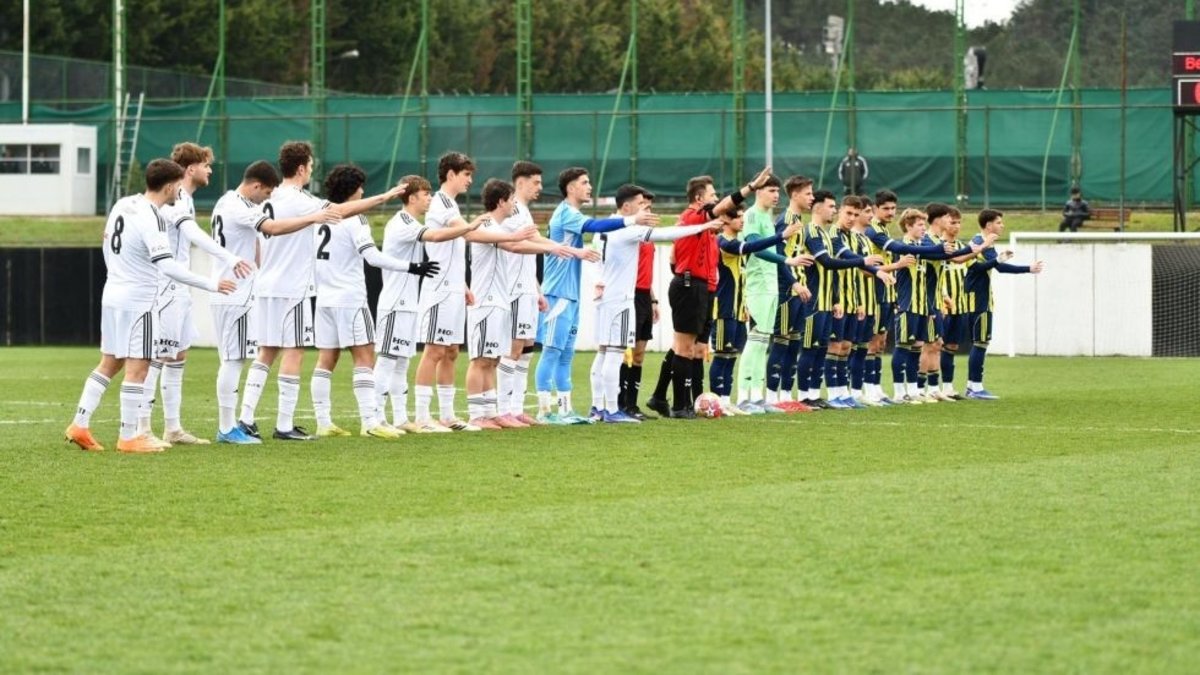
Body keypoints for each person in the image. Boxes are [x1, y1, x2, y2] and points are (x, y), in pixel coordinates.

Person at [64, 159, 236, 453]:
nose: (178, 193)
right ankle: (129, 436)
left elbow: (107, 243)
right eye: (177, 187)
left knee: (110, 362)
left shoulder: (123, 204)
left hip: (113, 294)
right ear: (170, 186)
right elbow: (167, 266)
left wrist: (120, 274)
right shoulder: (152, 216)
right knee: (139, 368)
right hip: (139, 300)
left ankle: (80, 423)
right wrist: (210, 283)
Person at [237, 141, 401, 441]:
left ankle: (246, 418)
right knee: (296, 352)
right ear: (301, 168)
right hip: (294, 289)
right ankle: (285, 425)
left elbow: (261, 238)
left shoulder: (269, 200)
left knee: (267, 352)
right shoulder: (301, 200)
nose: (312, 170)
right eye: (310, 165)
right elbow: (340, 210)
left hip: (266, 285)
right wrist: (385, 197)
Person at [310, 164, 438, 439]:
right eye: (360, 187)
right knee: (365, 356)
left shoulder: (321, 214)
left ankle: (323, 421)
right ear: (353, 190)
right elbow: (373, 258)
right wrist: (412, 267)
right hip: (349, 297)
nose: (363, 191)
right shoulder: (355, 220)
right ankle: (371, 421)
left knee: (326, 359)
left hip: (324, 298)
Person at [140, 142, 252, 448]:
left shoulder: (183, 199)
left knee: (177, 355)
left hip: (179, 288)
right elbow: (192, 234)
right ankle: (142, 428)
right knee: (158, 357)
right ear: (191, 169)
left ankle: (173, 428)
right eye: (206, 164)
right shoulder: (176, 199)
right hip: (165, 287)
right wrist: (230, 259)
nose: (210, 170)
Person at [413, 152, 535, 432]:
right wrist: (511, 236)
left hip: (454, 288)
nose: (470, 180)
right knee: (434, 351)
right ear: (451, 174)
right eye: (466, 174)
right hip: (439, 289)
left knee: (452, 351)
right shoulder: (441, 204)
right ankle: (422, 416)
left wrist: (464, 285)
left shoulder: (451, 205)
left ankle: (447, 414)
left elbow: (453, 249)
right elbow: (468, 235)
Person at [209, 160, 323, 444]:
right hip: (238, 292)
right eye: (266, 193)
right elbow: (271, 228)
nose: (267, 199)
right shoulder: (242, 207)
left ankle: (242, 421)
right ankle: (229, 428)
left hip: (231, 289)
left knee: (253, 355)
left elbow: (257, 241)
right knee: (234, 361)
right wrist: (312, 218)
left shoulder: (224, 201)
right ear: (257, 185)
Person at [645, 169, 772, 419]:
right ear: (700, 198)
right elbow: (725, 205)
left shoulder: (705, 229)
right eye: (713, 195)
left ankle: (668, 397)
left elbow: (673, 257)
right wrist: (750, 186)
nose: (717, 199)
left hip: (700, 287)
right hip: (690, 286)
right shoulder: (693, 216)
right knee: (684, 348)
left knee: (693, 348)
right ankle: (681, 405)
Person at [534, 167, 657, 424]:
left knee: (566, 354)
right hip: (557, 293)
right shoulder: (566, 213)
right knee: (552, 351)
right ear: (570, 188)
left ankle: (565, 409)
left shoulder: (573, 213)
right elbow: (595, 225)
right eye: (584, 182)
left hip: (571, 294)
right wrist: (631, 220)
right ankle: (544, 412)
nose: (590, 187)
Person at [588, 185, 718, 423]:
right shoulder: (627, 228)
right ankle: (611, 409)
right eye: (640, 204)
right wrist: (703, 226)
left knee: (604, 352)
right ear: (626, 207)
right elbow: (665, 235)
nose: (644, 209)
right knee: (615, 353)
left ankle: (598, 407)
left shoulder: (604, 229)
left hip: (606, 298)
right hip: (621, 298)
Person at [372, 175, 480, 434]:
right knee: (387, 360)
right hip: (395, 301)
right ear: (412, 198)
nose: (429, 199)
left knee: (401, 363)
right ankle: (374, 419)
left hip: (409, 302)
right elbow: (436, 236)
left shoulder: (411, 222)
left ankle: (400, 419)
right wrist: (470, 226)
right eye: (425, 195)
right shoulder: (402, 223)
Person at [495, 161, 596, 426]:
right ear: (520, 182)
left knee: (533, 350)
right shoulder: (513, 209)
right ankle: (517, 408)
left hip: (533, 290)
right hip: (520, 290)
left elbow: (538, 243)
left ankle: (527, 409)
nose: (540, 187)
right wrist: (571, 251)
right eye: (536, 182)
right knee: (522, 349)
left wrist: (537, 288)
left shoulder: (525, 212)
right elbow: (514, 245)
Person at [794, 190, 891, 408]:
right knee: (812, 348)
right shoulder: (811, 232)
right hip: (814, 300)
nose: (836, 211)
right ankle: (803, 395)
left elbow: (840, 267)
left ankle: (823, 394)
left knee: (824, 348)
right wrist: (866, 264)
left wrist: (873, 272)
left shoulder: (828, 235)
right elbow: (828, 263)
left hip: (830, 300)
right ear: (817, 207)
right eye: (833, 207)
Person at [462, 178, 545, 430]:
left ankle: (491, 412)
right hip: (484, 302)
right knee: (479, 359)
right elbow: (513, 245)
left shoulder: (496, 226)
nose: (513, 205)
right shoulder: (485, 224)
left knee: (492, 360)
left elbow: (514, 244)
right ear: (501, 201)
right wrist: (555, 248)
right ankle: (477, 415)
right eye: (510, 200)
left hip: (498, 301)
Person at [964, 209, 1044, 399]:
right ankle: (975, 388)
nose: (1002, 225)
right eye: (999, 222)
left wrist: (1027, 268)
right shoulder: (977, 243)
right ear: (989, 225)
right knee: (980, 341)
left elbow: (997, 267)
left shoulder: (987, 245)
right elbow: (977, 268)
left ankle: (971, 385)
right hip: (976, 298)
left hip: (982, 296)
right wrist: (1003, 261)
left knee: (982, 341)